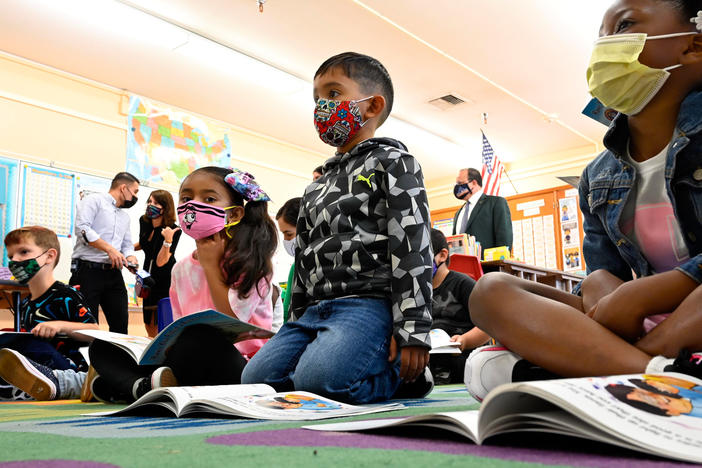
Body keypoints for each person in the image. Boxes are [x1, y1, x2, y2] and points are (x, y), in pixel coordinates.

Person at [463, 0, 702, 402]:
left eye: (624, 26)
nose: (605, 45)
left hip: (687, 316)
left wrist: (643, 294)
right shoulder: (596, 177)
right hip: (644, 324)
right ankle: (658, 374)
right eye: (601, 35)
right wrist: (610, 294)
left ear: (692, 46)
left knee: (492, 370)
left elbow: (631, 298)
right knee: (491, 291)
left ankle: (610, 369)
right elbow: (605, 294)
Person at [242, 52, 434, 404]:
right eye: (317, 99)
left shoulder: (396, 162)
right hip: (315, 310)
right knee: (256, 381)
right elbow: (303, 262)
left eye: (332, 94)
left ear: (373, 105)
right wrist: (294, 325)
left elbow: (412, 249)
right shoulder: (315, 186)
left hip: (368, 304)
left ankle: (403, 380)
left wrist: (413, 329)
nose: (321, 106)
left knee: (320, 382)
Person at [84, 166, 278, 403]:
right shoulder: (181, 268)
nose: (193, 205)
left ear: (234, 214)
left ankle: (137, 387)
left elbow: (233, 326)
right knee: (103, 347)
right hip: (188, 358)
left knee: (198, 337)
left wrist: (210, 267)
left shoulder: (252, 262)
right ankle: (148, 386)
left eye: (209, 198)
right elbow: (177, 329)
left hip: (241, 367)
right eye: (186, 198)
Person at [0, 226, 98, 400]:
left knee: (29, 345)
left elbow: (95, 331)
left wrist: (59, 326)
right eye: (10, 256)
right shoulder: (25, 304)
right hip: (36, 365)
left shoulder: (66, 295)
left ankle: (69, 384)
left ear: (49, 256)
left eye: (23, 252)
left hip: (67, 369)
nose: (15, 260)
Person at [69, 172, 140, 333]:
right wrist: (109, 249)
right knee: (86, 328)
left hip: (114, 274)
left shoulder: (124, 217)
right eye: (135, 192)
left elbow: (127, 244)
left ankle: (118, 359)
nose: (135, 196)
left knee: (120, 326)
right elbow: (82, 228)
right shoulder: (93, 201)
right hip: (87, 272)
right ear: (123, 188)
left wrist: (130, 257)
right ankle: (87, 359)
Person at [429, 229, 490, 384]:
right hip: (431, 362)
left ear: (442, 255)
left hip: (462, 360)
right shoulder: (418, 290)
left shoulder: (463, 284)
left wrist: (464, 341)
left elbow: (488, 327)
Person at [134, 190, 181, 337]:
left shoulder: (173, 229)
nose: (150, 205)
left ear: (165, 207)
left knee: (161, 323)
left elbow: (161, 262)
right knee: (148, 323)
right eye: (149, 201)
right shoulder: (144, 221)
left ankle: (162, 355)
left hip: (164, 278)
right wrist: (124, 251)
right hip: (147, 277)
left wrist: (168, 240)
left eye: (155, 203)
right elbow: (144, 243)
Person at [452, 168, 513, 251]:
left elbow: (504, 240)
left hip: (488, 263)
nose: (458, 187)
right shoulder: (459, 213)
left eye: (460, 183)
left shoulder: (496, 203)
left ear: (473, 183)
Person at [276, 197, 301, 323]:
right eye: (284, 234)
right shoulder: (295, 265)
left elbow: (287, 313)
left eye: (289, 234)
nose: (286, 240)